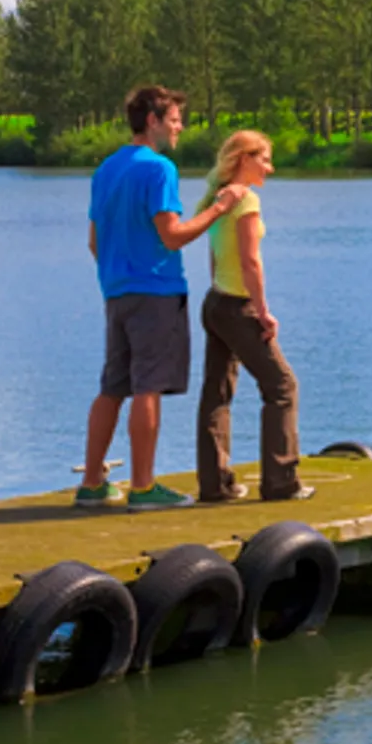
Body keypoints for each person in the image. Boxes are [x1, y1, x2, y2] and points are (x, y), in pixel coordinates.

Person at [80, 86, 244, 510]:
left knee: (112, 386)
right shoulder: (158, 169)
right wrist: (218, 209)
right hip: (155, 292)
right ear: (151, 120)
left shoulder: (106, 169)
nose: (179, 127)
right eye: (173, 119)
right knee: (146, 387)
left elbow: (94, 241)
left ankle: (93, 482)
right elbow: (172, 236)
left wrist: (120, 272)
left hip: (116, 292)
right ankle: (143, 487)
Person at [196, 130, 309, 502]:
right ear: (244, 158)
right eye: (264, 159)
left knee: (217, 392)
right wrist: (262, 312)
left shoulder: (219, 197)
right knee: (282, 387)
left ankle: (215, 485)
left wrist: (220, 291)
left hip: (215, 302)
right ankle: (281, 483)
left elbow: (214, 254)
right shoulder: (245, 201)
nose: (270, 168)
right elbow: (250, 262)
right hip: (238, 307)